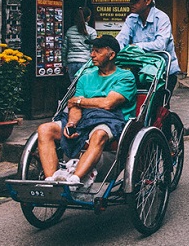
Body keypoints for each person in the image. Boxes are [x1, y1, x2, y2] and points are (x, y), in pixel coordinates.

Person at [37, 35, 136, 186]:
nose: (92, 55)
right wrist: (71, 123)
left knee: (99, 134)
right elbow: (74, 107)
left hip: (109, 119)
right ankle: (51, 180)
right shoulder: (85, 77)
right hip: (82, 119)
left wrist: (79, 101)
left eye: (97, 51)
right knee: (45, 129)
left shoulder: (125, 76)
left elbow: (108, 104)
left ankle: (75, 179)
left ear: (111, 55)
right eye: (92, 51)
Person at [116, 0, 180, 95]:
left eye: (135, 1)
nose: (132, 4)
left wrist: (136, 46)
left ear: (148, 1)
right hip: (139, 69)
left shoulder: (161, 18)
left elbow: (160, 45)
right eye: (131, 0)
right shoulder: (131, 19)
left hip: (163, 72)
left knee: (158, 107)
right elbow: (122, 39)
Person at [62, 7, 97, 82]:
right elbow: (93, 49)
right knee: (84, 86)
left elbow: (64, 49)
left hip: (71, 62)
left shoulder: (70, 31)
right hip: (85, 62)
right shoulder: (91, 31)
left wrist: (64, 63)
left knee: (74, 87)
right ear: (88, 17)